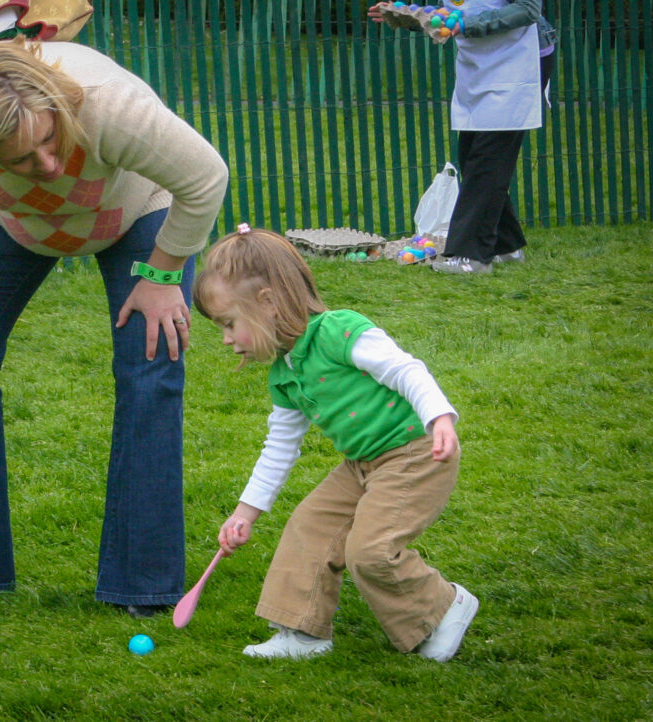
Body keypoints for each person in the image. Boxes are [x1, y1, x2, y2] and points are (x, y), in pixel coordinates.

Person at [0, 35, 228, 615]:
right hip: (20, 223)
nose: (46, 164)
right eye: (21, 159)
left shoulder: (107, 105)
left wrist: (164, 273)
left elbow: (204, 179)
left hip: (136, 212)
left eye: (49, 139)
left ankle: (142, 585)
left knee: (151, 359)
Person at [192, 225, 476, 661]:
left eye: (229, 324)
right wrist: (244, 513)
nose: (227, 339)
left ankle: (443, 606)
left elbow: (406, 370)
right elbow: (279, 448)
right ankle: (303, 634)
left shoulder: (338, 332)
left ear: (267, 304)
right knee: (309, 527)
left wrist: (440, 417)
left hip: (415, 453)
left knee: (371, 551)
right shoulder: (284, 375)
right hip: (362, 465)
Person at [369, 0, 555, 274]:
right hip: (480, 65)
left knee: (486, 160)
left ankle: (472, 256)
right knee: (471, 159)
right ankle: (506, 246)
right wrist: (412, 16)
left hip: (518, 62)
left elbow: (528, 10)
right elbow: (446, 13)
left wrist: (468, 24)